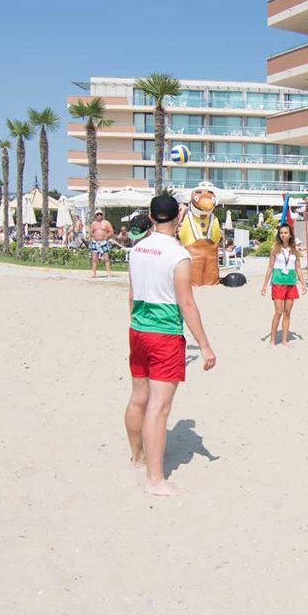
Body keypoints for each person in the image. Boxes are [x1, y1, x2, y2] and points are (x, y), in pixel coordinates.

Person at [125, 194, 216, 497]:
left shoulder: (137, 249)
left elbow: (131, 295)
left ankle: (137, 457)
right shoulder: (178, 255)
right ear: (178, 216)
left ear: (151, 217)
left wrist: (138, 324)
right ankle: (155, 480)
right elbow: (186, 304)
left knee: (138, 398)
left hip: (138, 329)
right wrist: (204, 345)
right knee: (158, 407)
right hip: (164, 334)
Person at [260, 223, 307, 348]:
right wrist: (264, 285)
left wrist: (303, 284)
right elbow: (270, 267)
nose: (283, 235)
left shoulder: (294, 250)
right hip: (278, 282)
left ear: (290, 234)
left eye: (285, 232)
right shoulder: (275, 248)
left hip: (291, 283)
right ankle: (272, 340)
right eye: (281, 233)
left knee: (287, 313)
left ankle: (284, 340)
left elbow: (298, 268)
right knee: (278, 312)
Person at [89, 210, 115, 278]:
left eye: (100, 214)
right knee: (94, 259)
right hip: (95, 242)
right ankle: (94, 273)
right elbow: (91, 233)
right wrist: (94, 237)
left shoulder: (106, 223)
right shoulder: (93, 224)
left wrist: (106, 236)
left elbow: (111, 231)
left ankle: (108, 273)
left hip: (104, 242)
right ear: (95, 216)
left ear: (102, 215)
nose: (99, 215)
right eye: (97, 214)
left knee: (106, 258)